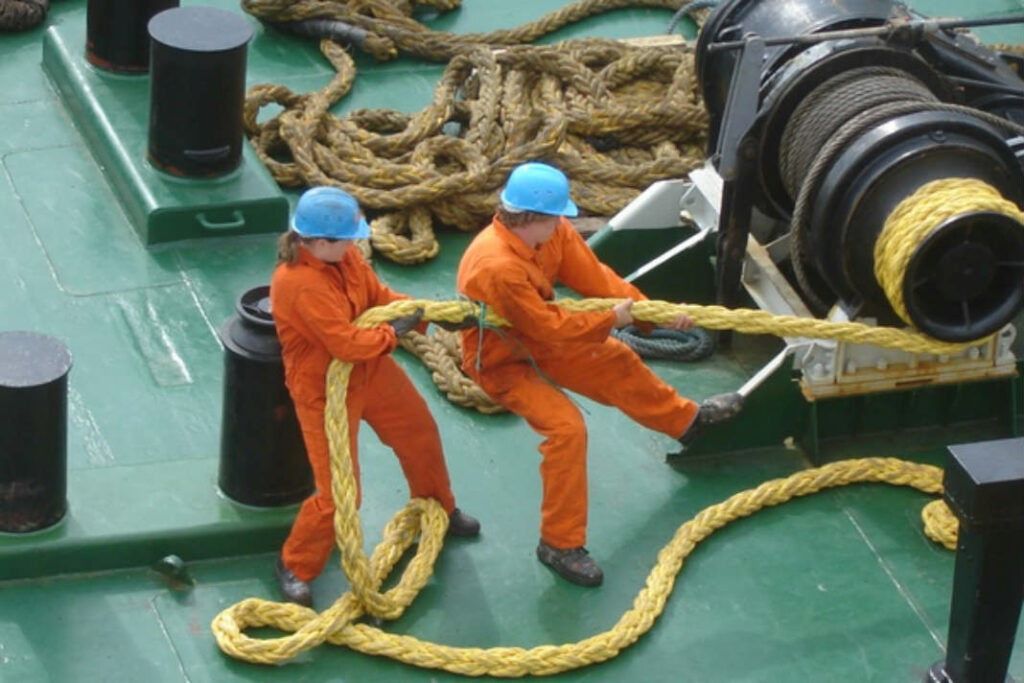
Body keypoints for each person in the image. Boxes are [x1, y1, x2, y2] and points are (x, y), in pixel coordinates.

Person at [455, 162, 742, 587]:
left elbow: (595, 278)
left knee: (617, 361)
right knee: (567, 430)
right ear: (533, 218)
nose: (564, 223)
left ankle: (687, 423)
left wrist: (648, 313)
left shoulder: (552, 235)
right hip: (502, 360)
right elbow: (547, 326)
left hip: (543, 340)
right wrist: (612, 320)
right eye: (558, 217)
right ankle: (559, 544)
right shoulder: (496, 266)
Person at [270, 186, 480, 607]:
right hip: (323, 389)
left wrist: (424, 313)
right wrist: (393, 333)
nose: (355, 243)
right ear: (318, 242)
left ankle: (437, 507)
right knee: (340, 493)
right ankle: (295, 564)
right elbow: (345, 343)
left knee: (418, 432)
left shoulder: (344, 259)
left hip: (372, 370)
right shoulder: (299, 285)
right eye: (348, 237)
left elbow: (378, 299)